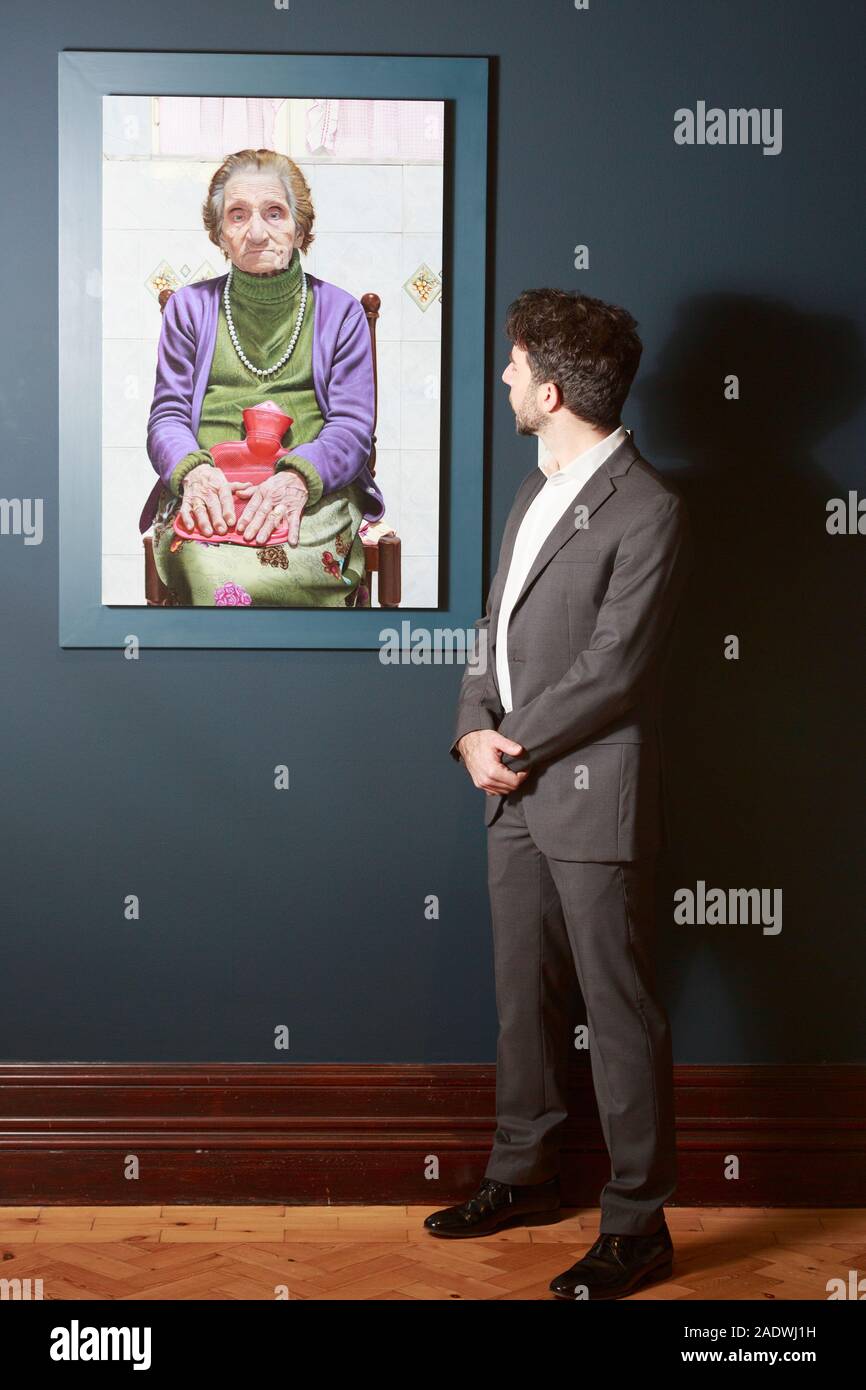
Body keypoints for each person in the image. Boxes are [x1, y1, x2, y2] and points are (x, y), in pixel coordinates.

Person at [425, 289, 693, 1301]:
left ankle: (637, 1226)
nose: (501, 379)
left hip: (588, 792)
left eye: (512, 365)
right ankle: (522, 1174)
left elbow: (614, 667)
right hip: (508, 786)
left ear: (548, 387)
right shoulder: (528, 494)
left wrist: (514, 742)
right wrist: (466, 732)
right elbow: (492, 635)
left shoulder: (650, 506)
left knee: (617, 1012)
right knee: (519, 1004)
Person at [139, 148, 385, 607]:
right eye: (237, 215)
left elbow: (353, 430)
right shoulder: (189, 309)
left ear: (299, 225)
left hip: (311, 494)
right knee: (212, 572)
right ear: (219, 233)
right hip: (210, 489)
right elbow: (166, 418)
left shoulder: (341, 312)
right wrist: (195, 474)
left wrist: (296, 480)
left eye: (274, 212)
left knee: (276, 574)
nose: (256, 232)